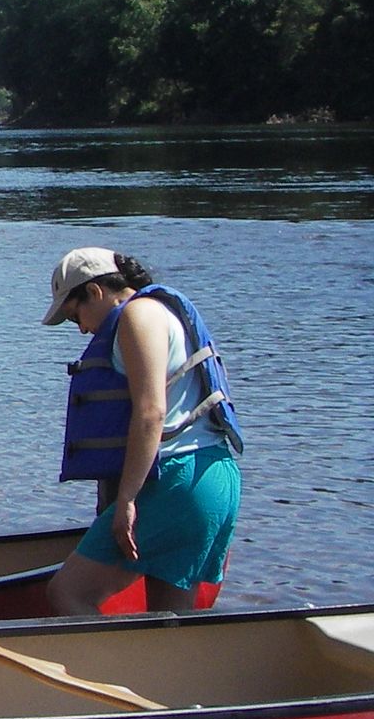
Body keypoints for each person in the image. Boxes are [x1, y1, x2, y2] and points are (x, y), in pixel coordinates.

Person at [41, 247, 244, 616]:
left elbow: (151, 411)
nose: (83, 329)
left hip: (177, 479)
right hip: (212, 476)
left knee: (68, 594)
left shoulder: (137, 315)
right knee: (169, 620)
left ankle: (101, 673)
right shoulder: (159, 312)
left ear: (95, 292)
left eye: (76, 317)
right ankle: (162, 675)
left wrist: (128, 500)